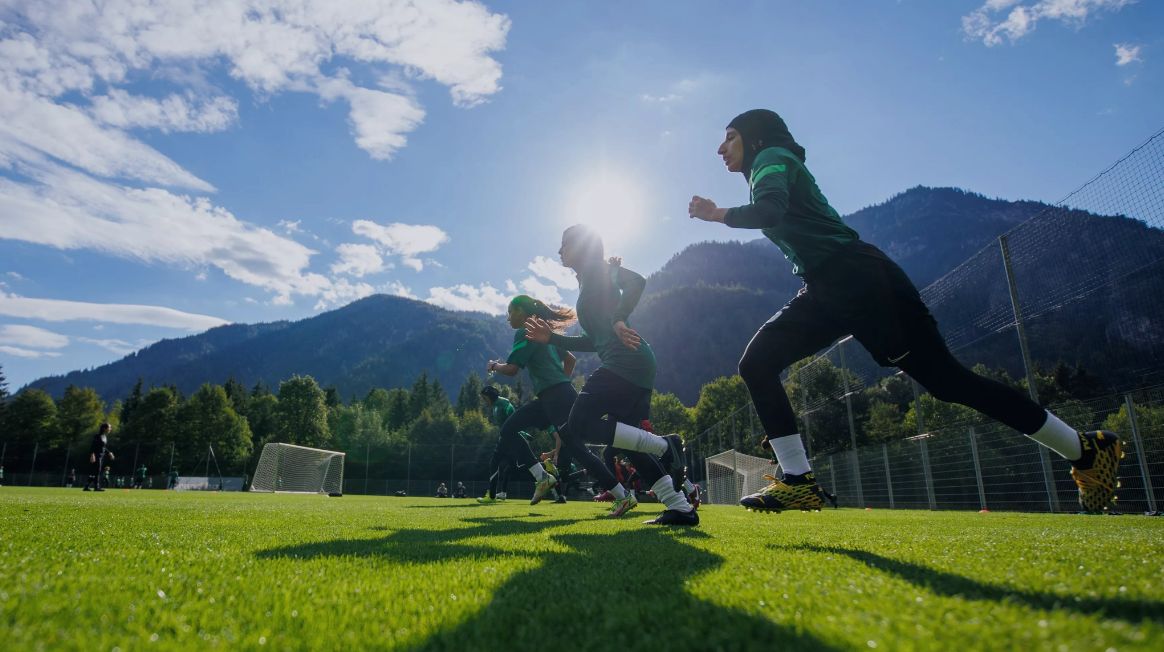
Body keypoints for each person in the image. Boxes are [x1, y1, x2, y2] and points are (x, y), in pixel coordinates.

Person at [688, 108, 1123, 513]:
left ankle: (1085, 448)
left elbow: (768, 209)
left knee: (950, 383)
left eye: (730, 137)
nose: (720, 148)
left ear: (756, 137)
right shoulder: (767, 167)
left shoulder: (773, 157)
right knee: (757, 363)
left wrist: (716, 214)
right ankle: (799, 479)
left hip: (862, 282)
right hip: (826, 288)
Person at [525, 225, 697, 525]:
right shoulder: (591, 280)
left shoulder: (597, 271)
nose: (559, 250)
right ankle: (680, 507)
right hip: (631, 362)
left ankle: (664, 445)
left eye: (564, 244)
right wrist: (551, 338)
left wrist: (618, 318)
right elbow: (594, 341)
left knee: (575, 428)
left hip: (625, 363)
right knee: (629, 443)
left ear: (581, 246)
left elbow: (637, 282)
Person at [481, 294, 584, 506]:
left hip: (552, 396)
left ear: (521, 311)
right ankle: (620, 492)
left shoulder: (526, 331)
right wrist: (562, 382)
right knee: (578, 444)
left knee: (508, 429)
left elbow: (512, 369)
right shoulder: (545, 332)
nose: (508, 317)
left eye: (510, 312)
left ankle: (543, 477)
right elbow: (571, 360)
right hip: (559, 395)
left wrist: (493, 366)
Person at [83, 423, 114, 492]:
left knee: (95, 472)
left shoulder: (104, 436)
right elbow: (92, 446)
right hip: (96, 456)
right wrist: (92, 455)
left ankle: (86, 486)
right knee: (97, 471)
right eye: (109, 427)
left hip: (101, 456)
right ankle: (96, 487)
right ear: (104, 428)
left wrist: (109, 453)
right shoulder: (97, 436)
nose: (110, 429)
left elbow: (103, 447)